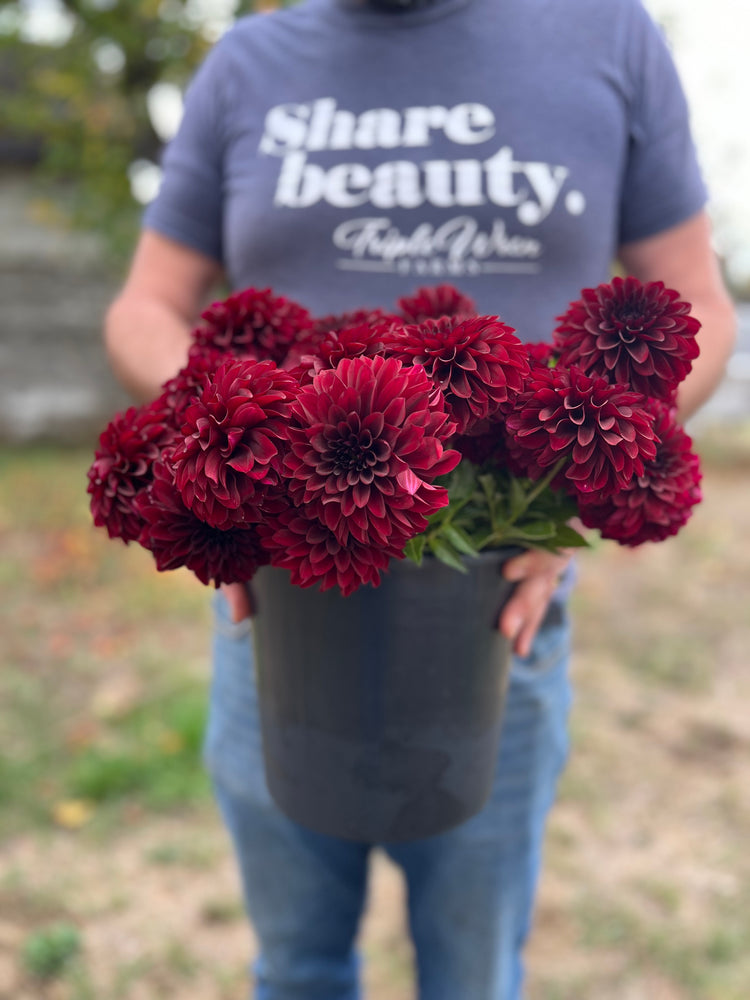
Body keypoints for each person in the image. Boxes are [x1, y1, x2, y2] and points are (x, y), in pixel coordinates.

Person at [103, 0, 737, 996]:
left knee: (473, 969)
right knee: (297, 963)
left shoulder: (608, 34)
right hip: (277, 609)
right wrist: (227, 430)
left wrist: (586, 467)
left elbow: (696, 302)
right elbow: (148, 302)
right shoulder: (248, 61)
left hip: (492, 617)